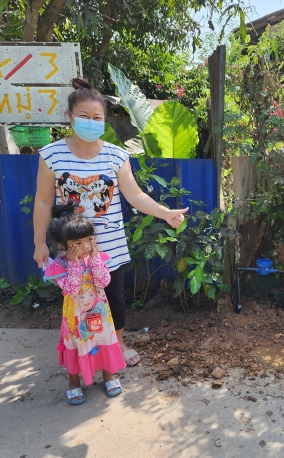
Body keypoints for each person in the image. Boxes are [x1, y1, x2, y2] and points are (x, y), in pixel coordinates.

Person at [33, 78, 188, 368]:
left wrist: (165, 213)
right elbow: (43, 201)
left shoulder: (116, 155)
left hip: (109, 246)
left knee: (114, 297)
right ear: (70, 117)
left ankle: (117, 343)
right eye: (84, 116)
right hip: (72, 247)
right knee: (77, 299)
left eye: (97, 117)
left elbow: (135, 195)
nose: (91, 122)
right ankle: (83, 346)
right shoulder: (51, 155)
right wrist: (39, 243)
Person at [44, 202, 126, 405]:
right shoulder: (59, 267)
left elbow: (103, 282)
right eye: (77, 243)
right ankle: (73, 382)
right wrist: (73, 264)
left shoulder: (97, 258)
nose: (86, 247)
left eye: (89, 239)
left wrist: (96, 259)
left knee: (103, 341)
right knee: (75, 345)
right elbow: (71, 290)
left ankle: (108, 375)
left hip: (100, 312)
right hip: (75, 319)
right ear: (63, 245)